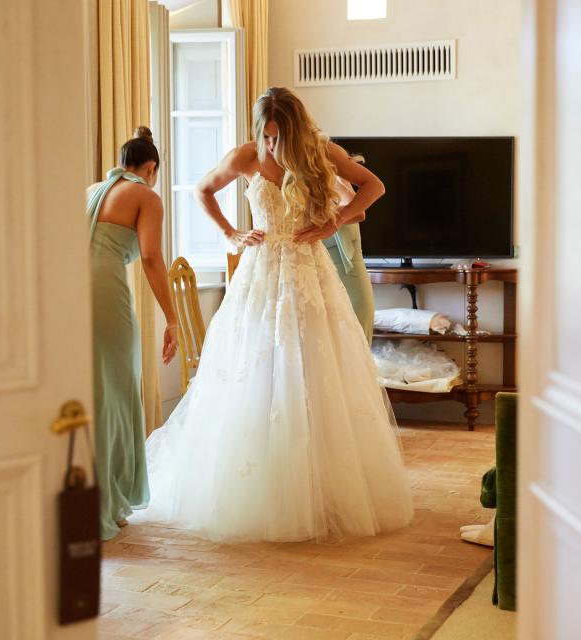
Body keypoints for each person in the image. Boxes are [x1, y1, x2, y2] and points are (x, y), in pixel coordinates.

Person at [134, 88, 413, 542]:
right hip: (260, 275)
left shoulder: (322, 152)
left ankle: (323, 491)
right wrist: (231, 232)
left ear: (296, 128)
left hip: (308, 273)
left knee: (316, 372)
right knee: (257, 371)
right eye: (266, 135)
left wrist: (334, 222)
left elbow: (375, 186)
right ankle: (261, 484)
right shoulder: (246, 156)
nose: (273, 145)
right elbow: (203, 189)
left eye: (280, 135)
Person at [86, 127, 179, 541]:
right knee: (118, 390)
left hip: (66, 290)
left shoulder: (92, 190)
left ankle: (93, 497)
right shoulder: (146, 195)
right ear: (151, 168)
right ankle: (110, 500)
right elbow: (151, 257)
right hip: (104, 289)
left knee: (90, 391)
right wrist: (172, 318)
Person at [325, 154, 376, 343]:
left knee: (360, 341)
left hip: (352, 277)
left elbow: (359, 213)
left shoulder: (340, 185)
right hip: (323, 278)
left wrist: (337, 177)